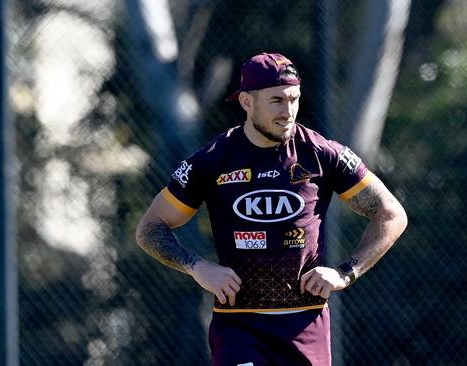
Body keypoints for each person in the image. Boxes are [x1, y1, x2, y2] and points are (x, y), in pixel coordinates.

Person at [135, 52, 407, 366]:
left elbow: (391, 214)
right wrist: (197, 267)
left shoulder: (321, 153)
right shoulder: (212, 161)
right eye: (276, 101)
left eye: (294, 99)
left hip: (306, 326)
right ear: (247, 102)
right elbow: (150, 228)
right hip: (240, 328)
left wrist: (346, 273)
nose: (288, 111)